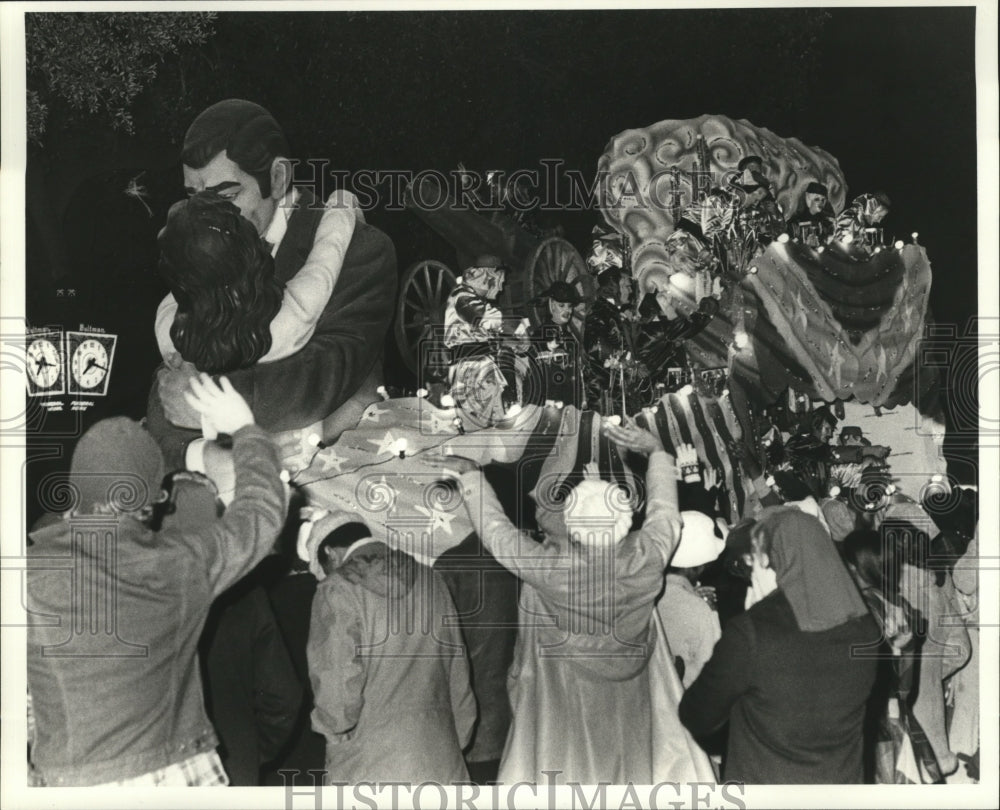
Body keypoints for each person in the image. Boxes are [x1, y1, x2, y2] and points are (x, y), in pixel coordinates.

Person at [27, 374, 288, 786]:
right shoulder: (178, 563)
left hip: (65, 778)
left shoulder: (27, 572)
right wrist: (245, 430)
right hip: (175, 773)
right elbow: (261, 515)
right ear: (149, 505)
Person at [426, 421, 714, 785]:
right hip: (635, 710)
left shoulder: (552, 569)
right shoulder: (647, 557)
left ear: (572, 522)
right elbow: (665, 516)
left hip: (569, 711)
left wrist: (472, 479)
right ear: (625, 519)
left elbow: (498, 536)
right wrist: (657, 453)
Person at [148, 99, 397, 469]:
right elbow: (171, 384)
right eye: (193, 197)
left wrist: (208, 409)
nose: (206, 214)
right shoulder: (200, 252)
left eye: (227, 195)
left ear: (278, 179)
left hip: (334, 466)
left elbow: (324, 377)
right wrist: (198, 453)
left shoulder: (361, 248)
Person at [679, 508, 880, 783]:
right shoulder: (866, 628)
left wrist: (753, 619)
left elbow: (696, 715)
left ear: (775, 562)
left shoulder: (751, 632)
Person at [304, 513, 476, 784]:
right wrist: (457, 738)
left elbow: (336, 702)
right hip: (441, 759)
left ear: (330, 553)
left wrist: (333, 736)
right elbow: (458, 671)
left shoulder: (336, 590)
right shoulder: (432, 581)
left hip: (369, 765)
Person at [841, 528, 944, 784]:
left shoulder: (860, 610)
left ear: (855, 567)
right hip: (899, 715)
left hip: (873, 724)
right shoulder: (899, 605)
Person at [442, 254, 526, 420]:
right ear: (489, 276)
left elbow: (483, 334)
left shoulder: (470, 298)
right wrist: (521, 329)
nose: (501, 288)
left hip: (479, 368)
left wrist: (507, 342)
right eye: (500, 281)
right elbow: (490, 318)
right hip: (472, 371)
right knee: (478, 423)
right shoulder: (463, 297)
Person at [656, 510, 725, 688]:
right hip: (686, 705)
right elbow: (714, 671)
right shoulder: (699, 609)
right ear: (699, 566)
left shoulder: (649, 594)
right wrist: (712, 613)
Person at [526, 280, 586, 408]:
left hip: (571, 402)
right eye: (561, 305)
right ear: (552, 305)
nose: (567, 310)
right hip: (551, 404)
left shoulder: (569, 336)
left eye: (569, 306)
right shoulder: (540, 335)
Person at [787, 181, 835, 247]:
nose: (821, 203)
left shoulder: (827, 224)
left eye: (823, 200)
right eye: (817, 199)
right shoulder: (794, 223)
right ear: (809, 199)